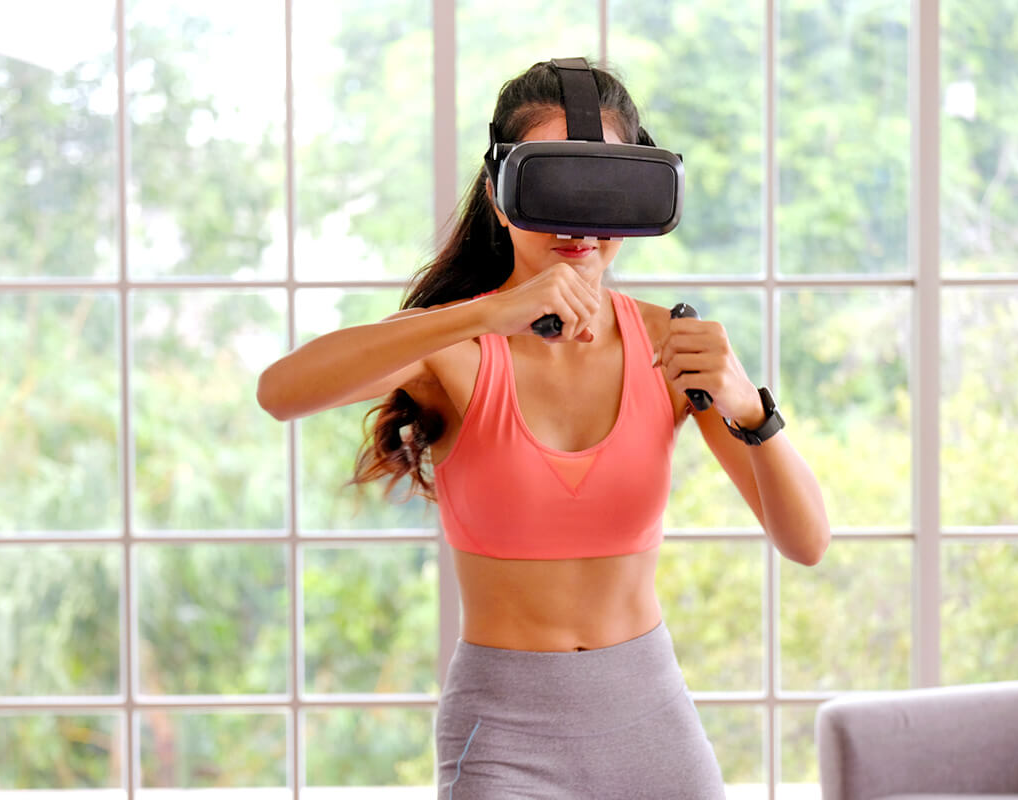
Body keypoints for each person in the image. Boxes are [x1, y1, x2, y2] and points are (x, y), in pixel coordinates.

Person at [258, 58, 829, 799]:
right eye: (556, 185)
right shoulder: (454, 349)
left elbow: (807, 542)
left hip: (650, 719)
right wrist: (482, 313)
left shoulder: (674, 347)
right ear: (502, 195)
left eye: (606, 188)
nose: (580, 223)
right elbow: (280, 392)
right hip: (504, 733)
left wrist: (747, 407)